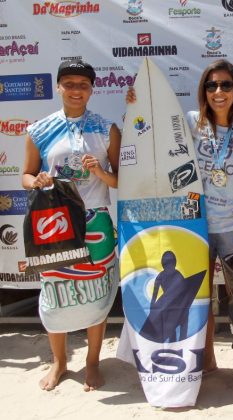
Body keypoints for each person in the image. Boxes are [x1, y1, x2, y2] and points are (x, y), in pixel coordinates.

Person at [126, 59, 233, 392]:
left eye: (226, 85)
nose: (218, 92)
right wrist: (136, 103)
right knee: (196, 296)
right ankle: (205, 360)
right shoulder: (190, 123)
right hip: (194, 225)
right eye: (211, 85)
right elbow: (151, 128)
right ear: (203, 91)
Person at [22, 60, 121, 392]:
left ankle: (92, 363)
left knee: (97, 293)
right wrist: (36, 180)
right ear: (59, 87)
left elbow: (121, 180)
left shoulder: (107, 129)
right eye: (70, 83)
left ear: (92, 89)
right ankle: (60, 362)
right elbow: (24, 176)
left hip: (96, 221)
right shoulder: (40, 129)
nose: (76, 90)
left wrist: (99, 173)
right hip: (55, 223)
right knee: (55, 294)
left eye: (83, 84)